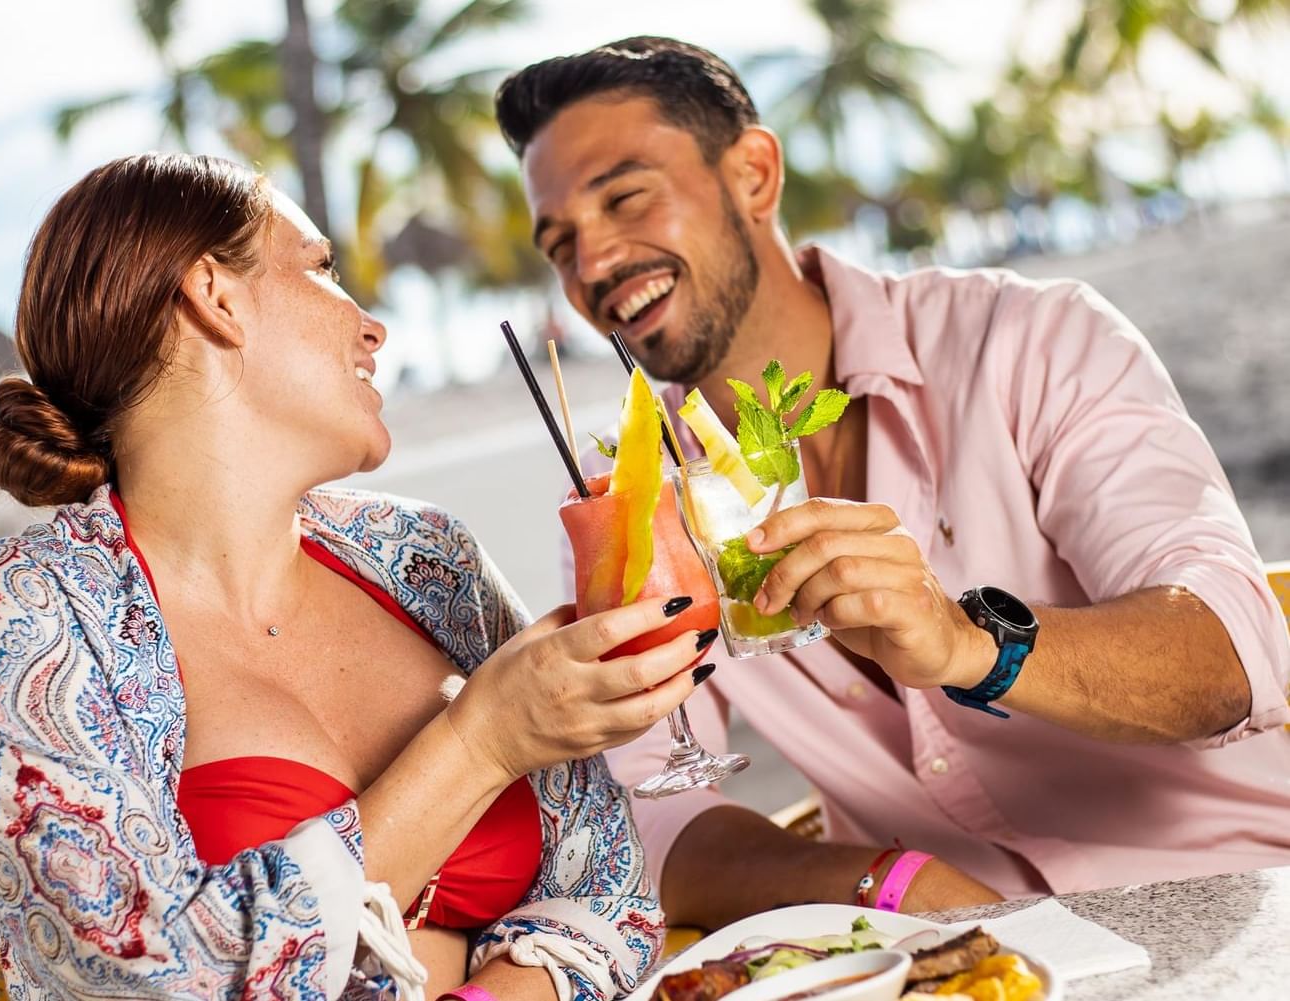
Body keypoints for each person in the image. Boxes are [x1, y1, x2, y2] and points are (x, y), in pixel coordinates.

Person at [493, 37, 1290, 931]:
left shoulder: (1030, 341)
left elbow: (1234, 651)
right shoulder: (632, 500)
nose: (592, 265)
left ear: (754, 174)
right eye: (560, 243)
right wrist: (888, 878)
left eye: (625, 197)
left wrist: (970, 646)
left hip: (1235, 905)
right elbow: (638, 817)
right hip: (945, 961)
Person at [0, 153, 714, 1000]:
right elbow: (155, 973)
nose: (372, 325)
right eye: (322, 269)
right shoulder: (20, 618)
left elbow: (612, 892)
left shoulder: (426, 556)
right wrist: (480, 743)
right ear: (216, 296)